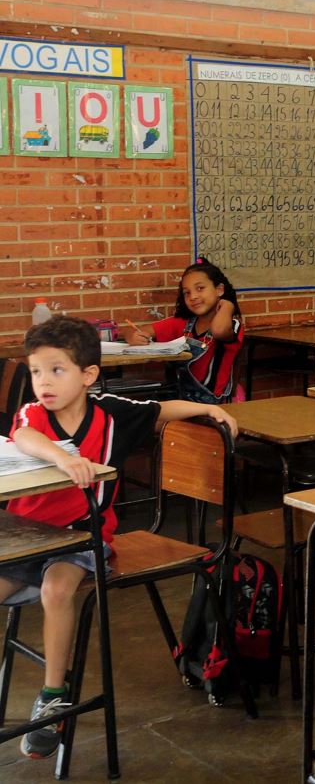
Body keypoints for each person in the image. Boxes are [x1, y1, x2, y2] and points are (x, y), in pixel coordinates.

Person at [0, 316, 239, 760]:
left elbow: (162, 409)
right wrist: (62, 457)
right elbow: (25, 436)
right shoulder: (35, 415)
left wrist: (210, 409)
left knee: (57, 588)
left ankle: (55, 694)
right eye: (35, 371)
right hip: (26, 537)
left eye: (56, 370)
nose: (43, 382)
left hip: (81, 538)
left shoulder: (111, 412)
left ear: (88, 375)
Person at [126, 258, 244, 404]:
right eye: (187, 293)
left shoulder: (232, 324)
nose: (193, 297)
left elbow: (218, 331)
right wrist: (133, 336)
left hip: (213, 404)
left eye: (200, 288)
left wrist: (228, 305)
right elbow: (139, 331)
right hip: (181, 399)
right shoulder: (182, 323)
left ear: (219, 289)